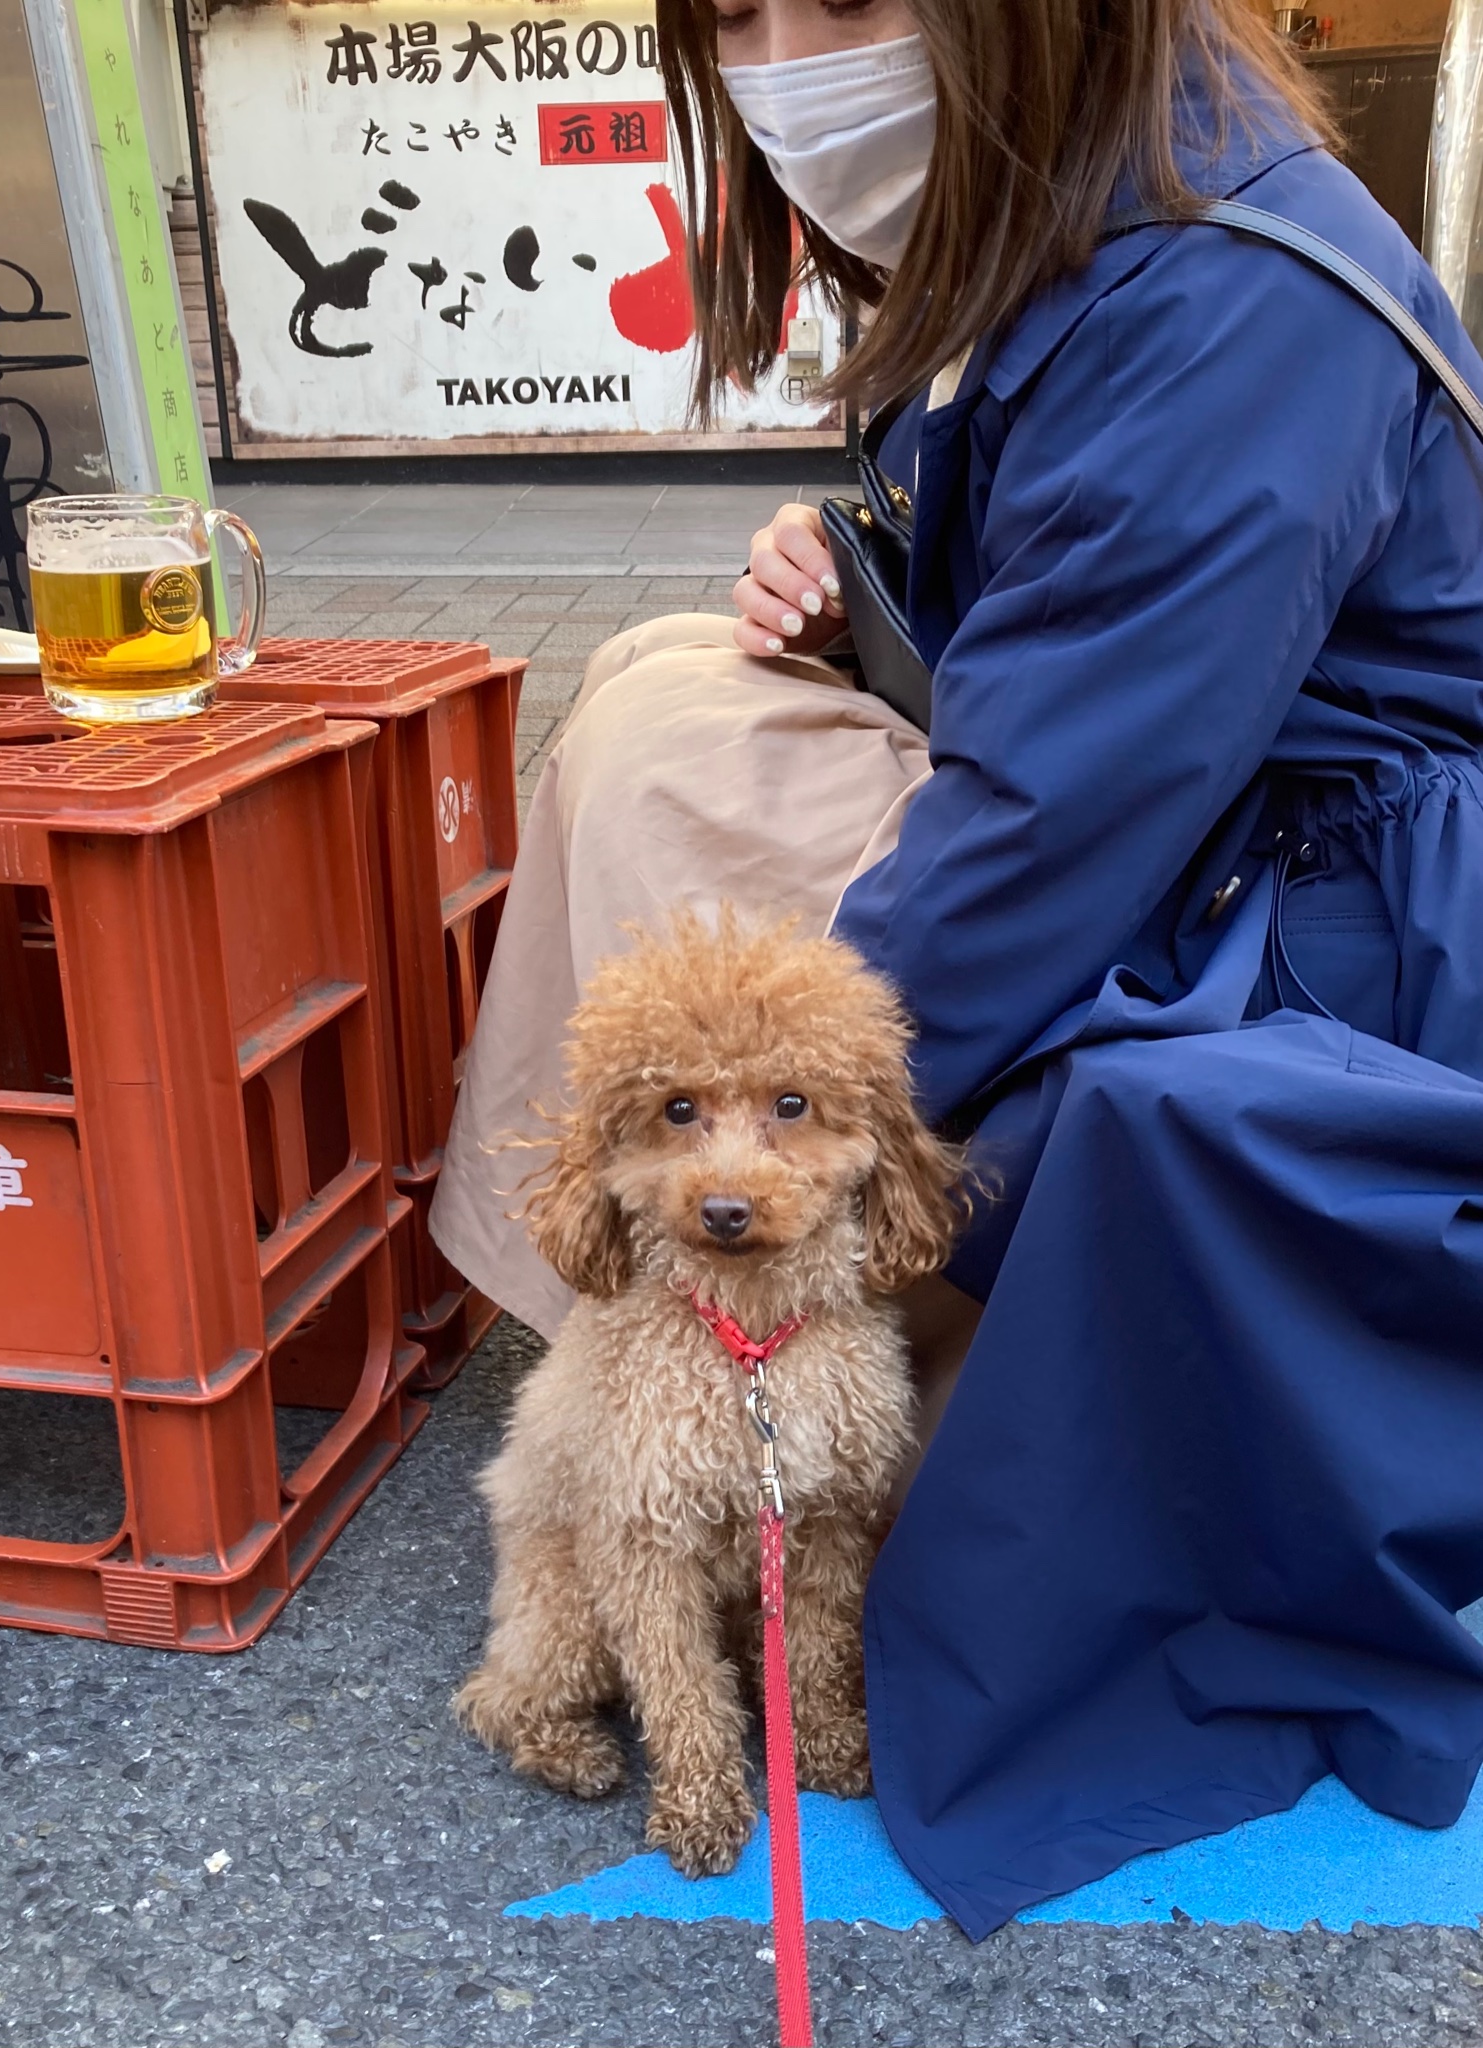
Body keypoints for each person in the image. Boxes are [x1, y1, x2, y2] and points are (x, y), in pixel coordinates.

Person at [430, 0, 1483, 1939]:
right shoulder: (1078, 198)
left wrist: (798, 1079)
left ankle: (669, 1304)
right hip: (1210, 803)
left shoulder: (1232, 294)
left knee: (682, 791)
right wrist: (853, 583)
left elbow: (1047, 828)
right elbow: (1070, 605)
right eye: (730, 14)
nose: (772, 57)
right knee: (666, 687)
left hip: (1337, 911)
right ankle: (637, 1329)